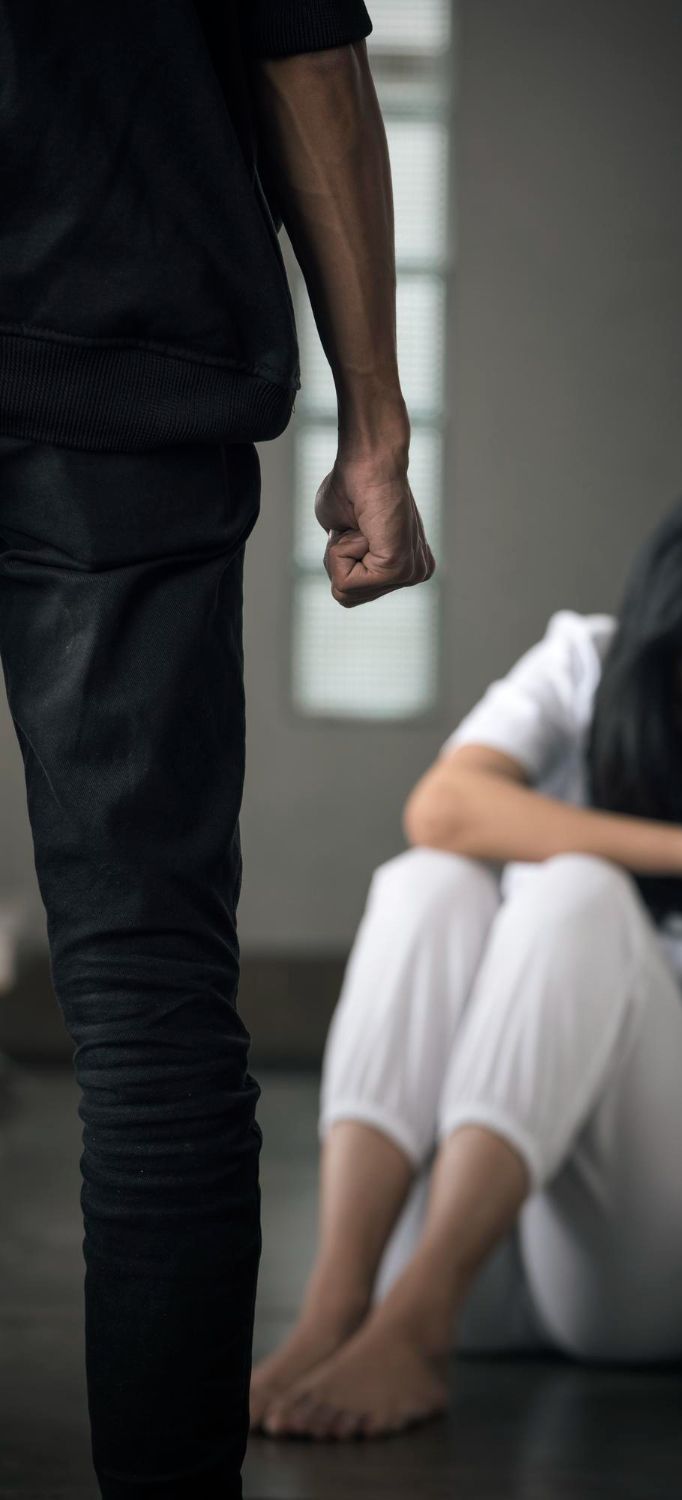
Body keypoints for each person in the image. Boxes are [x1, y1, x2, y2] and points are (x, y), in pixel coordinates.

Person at [250, 483, 682, 1442]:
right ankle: (336, 1310)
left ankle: (415, 1324)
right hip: (497, 1238)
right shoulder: (590, 664)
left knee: (576, 891)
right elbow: (440, 810)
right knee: (429, 882)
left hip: (681, 1265)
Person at [0, 3, 432, 1496]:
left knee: (149, 1018)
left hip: (123, 383)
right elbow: (303, 46)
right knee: (145, 1004)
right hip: (119, 349)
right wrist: (372, 422)